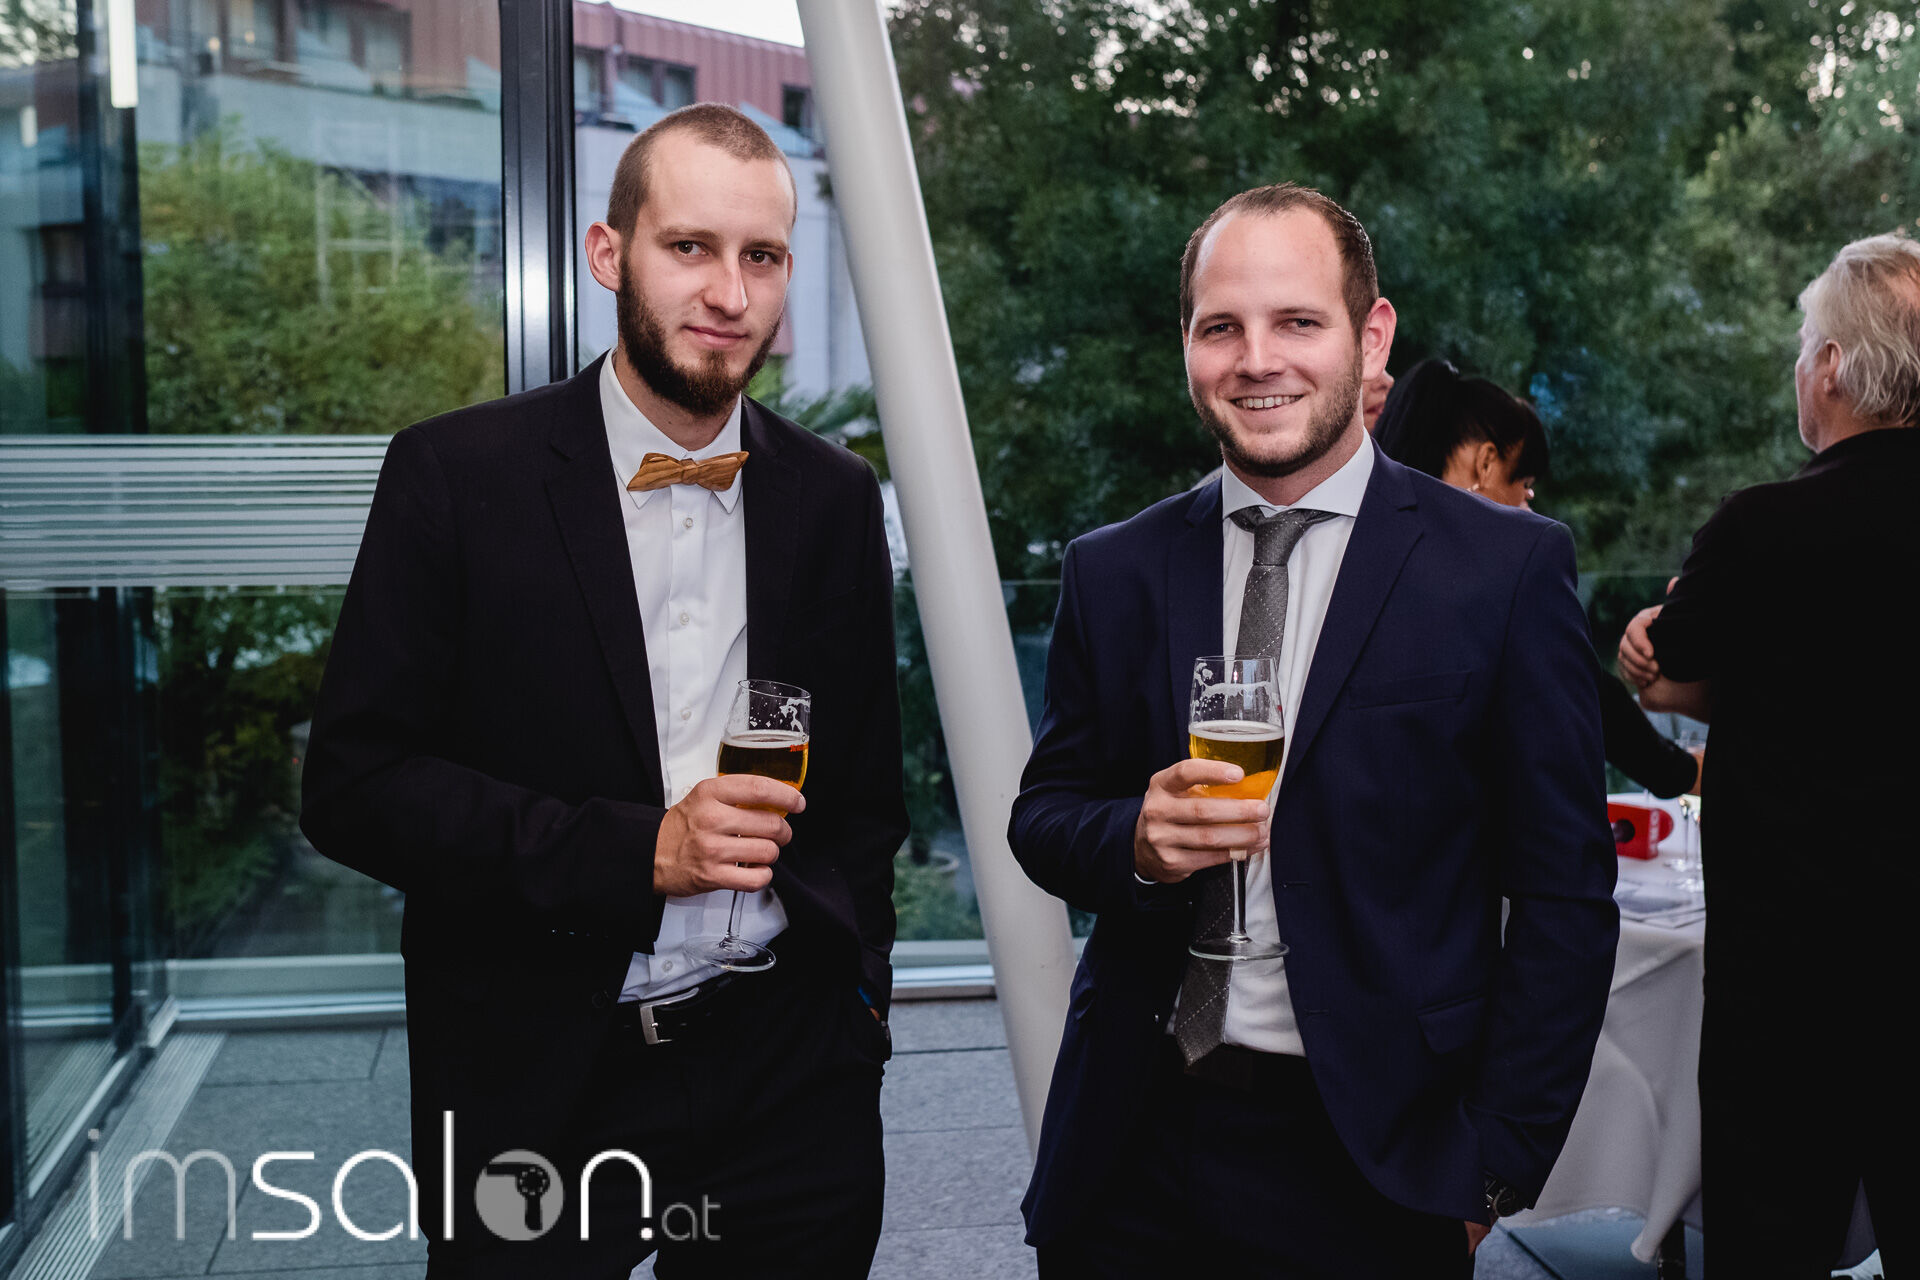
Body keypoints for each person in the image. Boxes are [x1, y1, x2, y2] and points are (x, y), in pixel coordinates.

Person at [300, 104, 905, 1278]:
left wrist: (858, 1013)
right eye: (689, 246)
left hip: (792, 1075)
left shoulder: (834, 495)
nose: (730, 291)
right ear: (607, 253)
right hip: (537, 1077)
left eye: (763, 255)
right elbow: (355, 786)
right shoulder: (451, 473)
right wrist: (642, 852)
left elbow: (867, 795)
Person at [1008, 182, 1618, 1278]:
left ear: (1370, 337)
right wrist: (1135, 841)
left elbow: (1566, 895)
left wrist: (1489, 1169)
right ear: (1187, 345)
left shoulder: (1506, 570)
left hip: (1377, 1162)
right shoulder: (1115, 568)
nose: (1258, 360)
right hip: (1128, 1147)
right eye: (1221, 327)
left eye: (1297, 320)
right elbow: (1044, 815)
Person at [1617, 232, 1919, 1276]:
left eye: (1803, 347)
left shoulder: (1763, 528)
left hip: (1788, 986)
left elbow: (1667, 665)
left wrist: (1661, 660)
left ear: (1831, 366)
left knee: (1769, 1248)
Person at [1377, 357, 1701, 798]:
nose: (1529, 505)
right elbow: (1587, 690)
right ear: (1485, 464)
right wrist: (1680, 771)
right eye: (1524, 483)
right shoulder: (1508, 572)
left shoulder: (1370, 560)